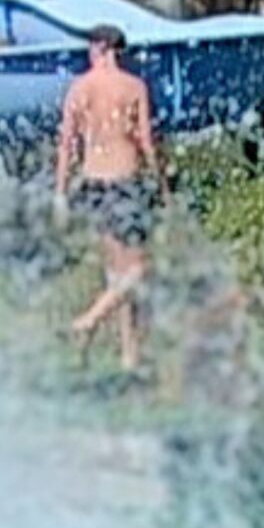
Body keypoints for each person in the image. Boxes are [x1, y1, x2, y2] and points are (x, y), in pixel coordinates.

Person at [53, 23, 170, 371]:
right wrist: (162, 182)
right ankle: (88, 320)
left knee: (117, 273)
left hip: (93, 184)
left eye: (91, 46)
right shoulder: (134, 87)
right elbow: (146, 141)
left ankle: (129, 355)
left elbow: (66, 146)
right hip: (125, 181)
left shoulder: (79, 88)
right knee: (137, 271)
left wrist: (60, 193)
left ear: (102, 49)